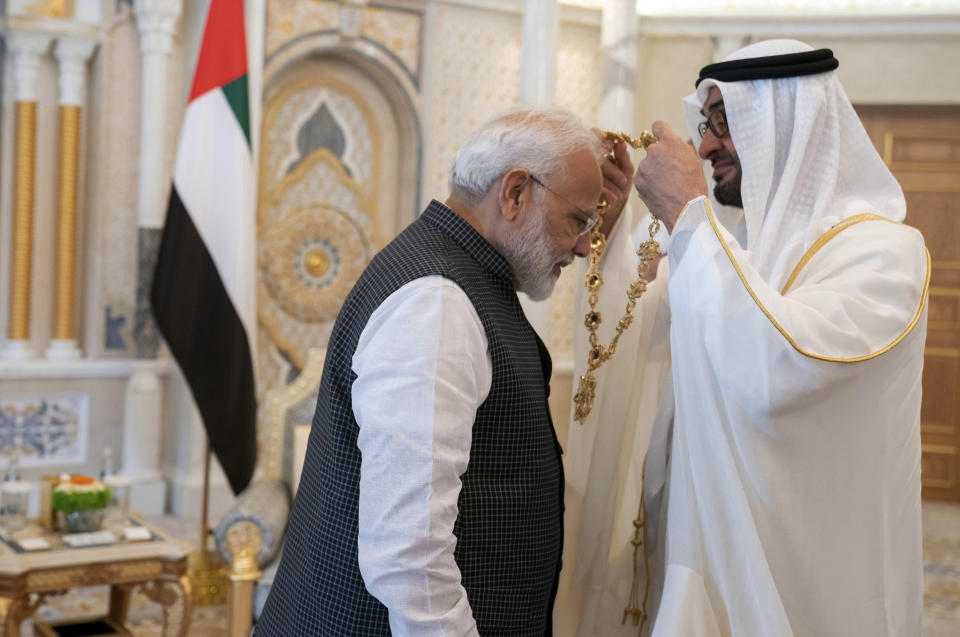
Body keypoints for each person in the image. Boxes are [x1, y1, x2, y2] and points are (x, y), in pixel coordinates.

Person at [561, 39, 928, 636]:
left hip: (802, 583)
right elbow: (656, 333)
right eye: (705, 126)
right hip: (699, 548)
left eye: (725, 126)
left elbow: (776, 371)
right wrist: (614, 236)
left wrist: (688, 214)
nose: (704, 147)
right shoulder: (736, 243)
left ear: (790, 131)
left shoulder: (884, 255)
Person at [256, 105, 609, 636]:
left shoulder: (453, 275)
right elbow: (409, 557)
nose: (584, 246)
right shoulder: (437, 302)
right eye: (579, 220)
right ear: (515, 192)